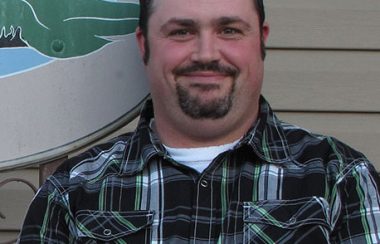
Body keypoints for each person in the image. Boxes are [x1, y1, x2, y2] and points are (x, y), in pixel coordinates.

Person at [19, 0, 380, 243]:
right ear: (143, 45)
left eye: (229, 30)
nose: (206, 53)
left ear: (261, 42)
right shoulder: (73, 192)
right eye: (181, 31)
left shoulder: (339, 178)